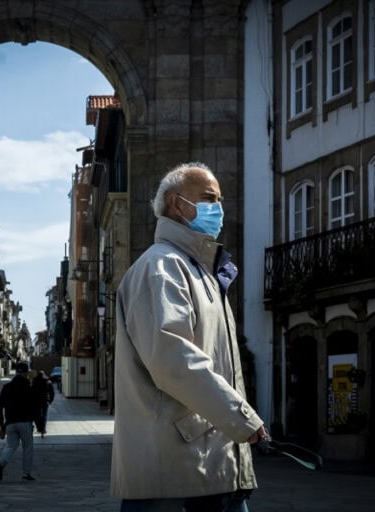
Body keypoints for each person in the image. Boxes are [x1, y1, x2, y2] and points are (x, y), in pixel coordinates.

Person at [110, 162, 268, 512]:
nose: (218, 209)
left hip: (208, 461)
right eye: (209, 199)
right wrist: (240, 417)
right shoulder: (162, 268)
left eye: (220, 200)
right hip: (175, 471)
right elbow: (173, 359)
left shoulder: (200, 270)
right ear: (177, 204)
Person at [0, 361, 37, 482]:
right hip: (25, 422)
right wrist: (37, 423)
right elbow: (34, 406)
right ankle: (26, 473)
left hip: (10, 423)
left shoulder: (7, 387)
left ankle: (1, 463)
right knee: (27, 447)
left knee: (10, 446)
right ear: (26, 373)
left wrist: (1, 423)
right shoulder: (28, 387)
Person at [31, 370, 55, 438]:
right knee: (44, 415)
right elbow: (52, 392)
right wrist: (50, 400)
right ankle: (43, 429)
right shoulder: (48, 381)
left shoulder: (34, 381)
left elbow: (31, 391)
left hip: (36, 401)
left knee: (37, 415)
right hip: (45, 400)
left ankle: (39, 428)